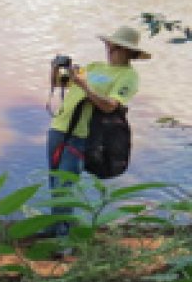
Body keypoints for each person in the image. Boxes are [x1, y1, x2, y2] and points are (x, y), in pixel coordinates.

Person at [45, 24, 148, 236]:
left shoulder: (128, 76)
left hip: (81, 136)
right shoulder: (93, 66)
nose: (110, 49)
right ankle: (57, 227)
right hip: (58, 128)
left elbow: (110, 105)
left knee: (65, 185)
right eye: (109, 45)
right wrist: (56, 67)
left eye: (115, 47)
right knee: (55, 183)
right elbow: (58, 83)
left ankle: (64, 241)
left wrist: (84, 86)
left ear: (129, 51)